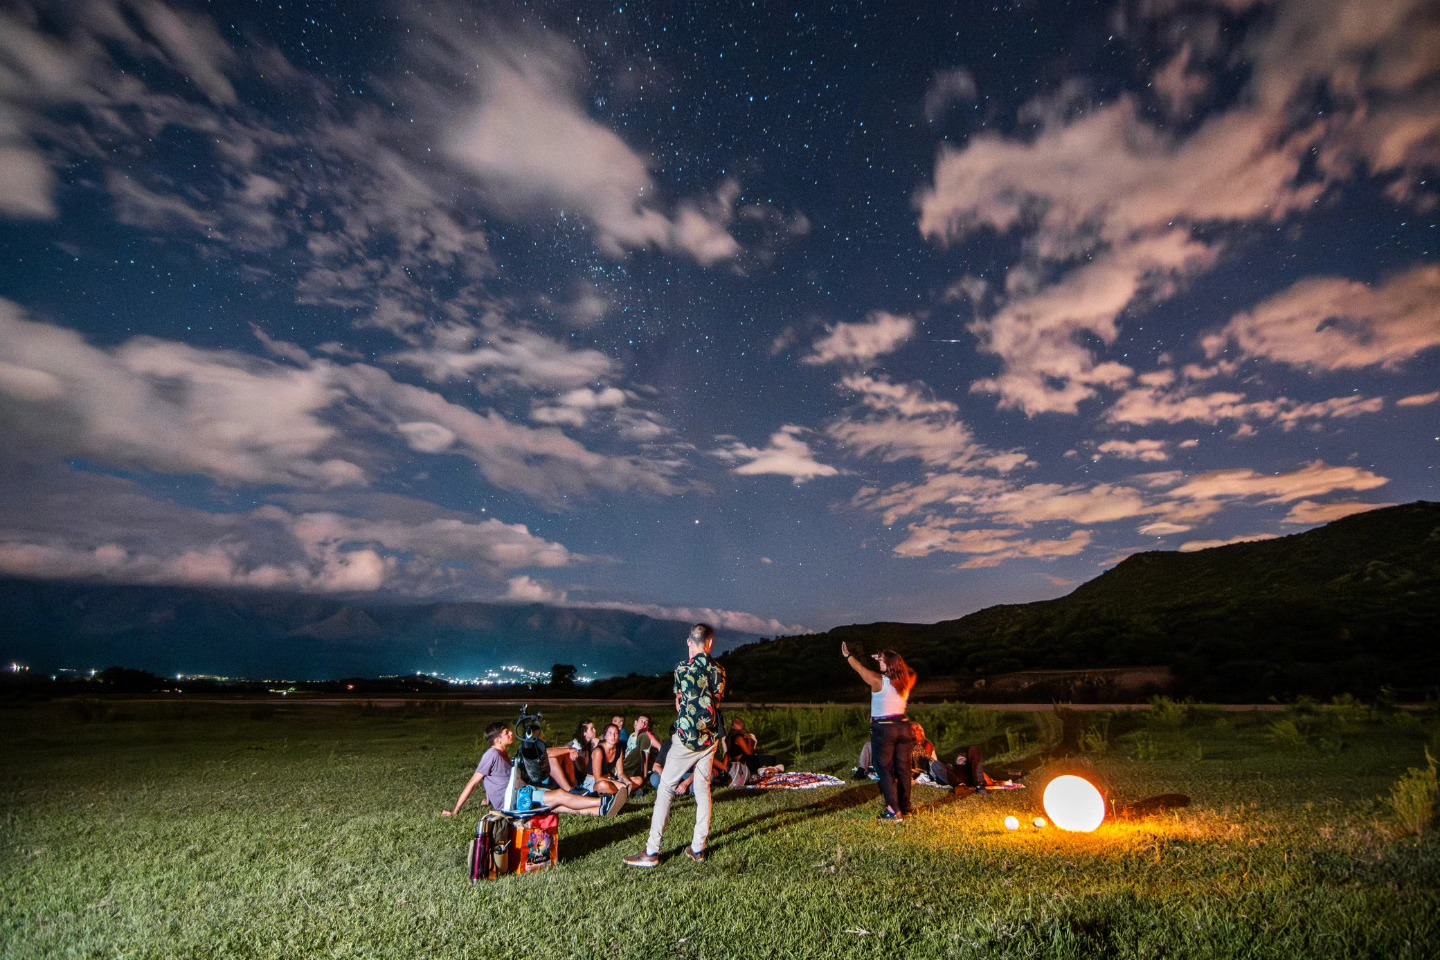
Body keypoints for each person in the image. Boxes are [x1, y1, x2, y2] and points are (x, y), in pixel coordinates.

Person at [623, 623, 727, 867]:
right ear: (710, 644)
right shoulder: (719, 670)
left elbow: (679, 702)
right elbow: (717, 702)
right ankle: (698, 848)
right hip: (709, 739)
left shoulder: (682, 668)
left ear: (690, 642)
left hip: (686, 739)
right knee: (703, 791)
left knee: (666, 789)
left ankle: (651, 852)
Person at [441, 721, 628, 819]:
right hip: (514, 800)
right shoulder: (491, 755)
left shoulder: (503, 753)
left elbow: (495, 780)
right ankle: (604, 802)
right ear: (497, 740)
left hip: (520, 793)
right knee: (559, 795)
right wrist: (455, 810)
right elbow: (474, 782)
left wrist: (488, 798)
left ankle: (601, 811)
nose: (511, 733)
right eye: (506, 733)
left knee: (558, 807)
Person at [842, 641, 917, 823]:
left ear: (890, 663)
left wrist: (848, 656)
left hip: (885, 728)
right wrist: (892, 660)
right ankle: (906, 807)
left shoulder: (878, 681)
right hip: (904, 726)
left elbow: (859, 669)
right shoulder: (905, 681)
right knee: (904, 769)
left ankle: (893, 811)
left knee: (884, 768)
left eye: (882, 660)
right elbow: (911, 671)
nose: (878, 661)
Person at [586, 723, 629, 795]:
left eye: (616, 733)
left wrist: (627, 782)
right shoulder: (598, 751)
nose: (613, 736)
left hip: (609, 779)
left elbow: (621, 773)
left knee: (638, 780)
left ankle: (622, 791)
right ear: (605, 736)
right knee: (603, 785)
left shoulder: (619, 749)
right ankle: (624, 792)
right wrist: (620, 785)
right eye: (610, 733)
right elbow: (598, 778)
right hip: (594, 781)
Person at [622, 715, 661, 792]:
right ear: (635, 723)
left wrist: (645, 776)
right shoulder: (631, 736)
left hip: (635, 767)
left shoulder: (645, 737)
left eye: (645, 723)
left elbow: (646, 757)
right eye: (641, 721)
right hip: (627, 765)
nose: (643, 724)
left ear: (647, 727)